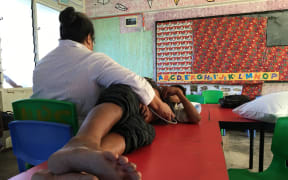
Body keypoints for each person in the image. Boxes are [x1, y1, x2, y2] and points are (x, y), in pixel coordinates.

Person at [31, 7, 174, 180]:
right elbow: (136, 82)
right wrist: (160, 105)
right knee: (131, 105)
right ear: (89, 38)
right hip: (79, 132)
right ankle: (85, 152)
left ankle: (59, 173)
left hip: (38, 139)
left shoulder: (41, 65)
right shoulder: (92, 59)